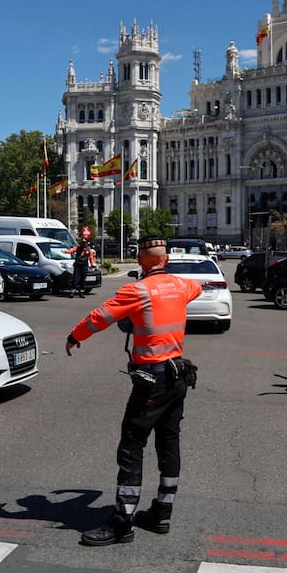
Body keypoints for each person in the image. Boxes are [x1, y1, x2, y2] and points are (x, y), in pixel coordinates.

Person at [65, 234, 203, 546]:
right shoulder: (182, 287)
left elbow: (99, 318)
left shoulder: (136, 290)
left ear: (140, 261)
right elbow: (196, 288)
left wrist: (75, 336)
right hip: (179, 376)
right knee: (169, 443)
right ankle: (161, 513)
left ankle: (122, 521)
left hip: (151, 380)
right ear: (166, 260)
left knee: (131, 446)